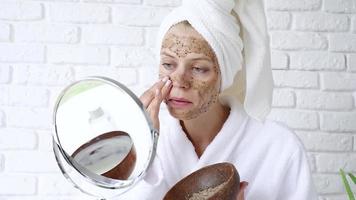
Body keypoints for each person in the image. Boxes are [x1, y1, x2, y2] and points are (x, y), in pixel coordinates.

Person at [120, 0, 318, 199]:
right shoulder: (145, 145)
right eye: (169, 64)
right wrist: (144, 150)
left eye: (198, 68)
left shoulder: (280, 148)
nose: (179, 81)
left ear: (225, 74)